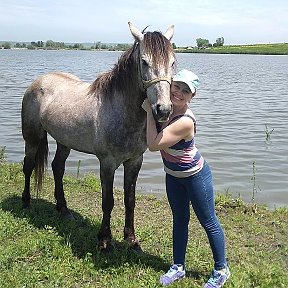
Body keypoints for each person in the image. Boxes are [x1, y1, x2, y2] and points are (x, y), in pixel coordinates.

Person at [141, 69, 230, 288]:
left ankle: (221, 269)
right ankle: (178, 266)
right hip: (173, 176)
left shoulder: (185, 121)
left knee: (208, 221)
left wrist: (147, 112)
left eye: (185, 91)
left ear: (193, 96)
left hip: (195, 177)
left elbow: (153, 145)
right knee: (180, 220)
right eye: (176, 86)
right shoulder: (166, 110)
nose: (178, 93)